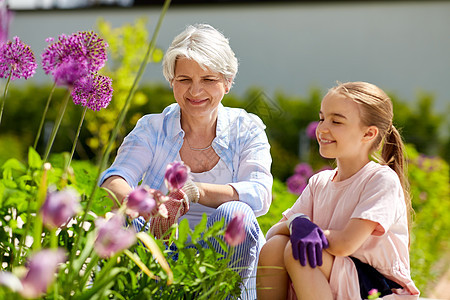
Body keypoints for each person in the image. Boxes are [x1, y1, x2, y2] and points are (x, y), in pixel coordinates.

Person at [99, 24, 273, 299]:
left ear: (227, 83)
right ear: (172, 81)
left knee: (236, 213)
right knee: (122, 219)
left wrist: (197, 191)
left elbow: (259, 194)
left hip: (228, 266)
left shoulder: (246, 128)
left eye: (208, 79)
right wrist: (146, 204)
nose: (195, 91)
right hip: (163, 250)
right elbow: (115, 179)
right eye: (184, 79)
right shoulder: (152, 128)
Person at [257, 81, 420, 300]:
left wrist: (308, 232)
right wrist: (296, 222)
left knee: (300, 253)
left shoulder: (380, 180)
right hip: (337, 276)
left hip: (376, 287)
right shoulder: (320, 182)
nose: (323, 128)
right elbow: (274, 233)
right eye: (322, 118)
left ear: (368, 134)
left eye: (336, 121)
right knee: (275, 247)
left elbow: (345, 244)